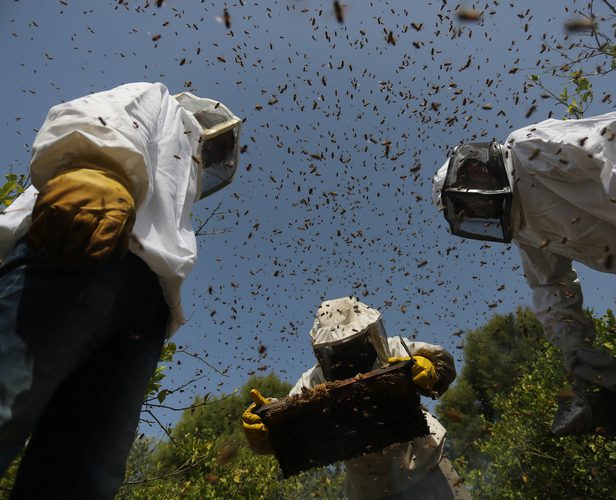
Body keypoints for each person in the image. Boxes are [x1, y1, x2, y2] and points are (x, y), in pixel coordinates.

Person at [0, 82, 241, 498]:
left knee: (83, 478)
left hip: (148, 310)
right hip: (85, 243)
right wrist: (99, 168)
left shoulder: (181, 185)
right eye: (214, 147)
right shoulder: (161, 102)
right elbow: (110, 110)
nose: (213, 156)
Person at [432, 106, 616, 437]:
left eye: (471, 197)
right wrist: (577, 354)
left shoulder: (528, 148)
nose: (476, 208)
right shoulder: (525, 230)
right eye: (467, 210)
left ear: (476, 169)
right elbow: (551, 287)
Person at [242, 296, 471, 500]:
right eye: (339, 347)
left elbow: (442, 363)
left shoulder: (393, 350)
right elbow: (285, 425)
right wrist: (265, 431)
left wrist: (430, 369)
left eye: (352, 342)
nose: (347, 351)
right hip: (369, 488)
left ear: (367, 334)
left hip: (426, 464)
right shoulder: (314, 380)